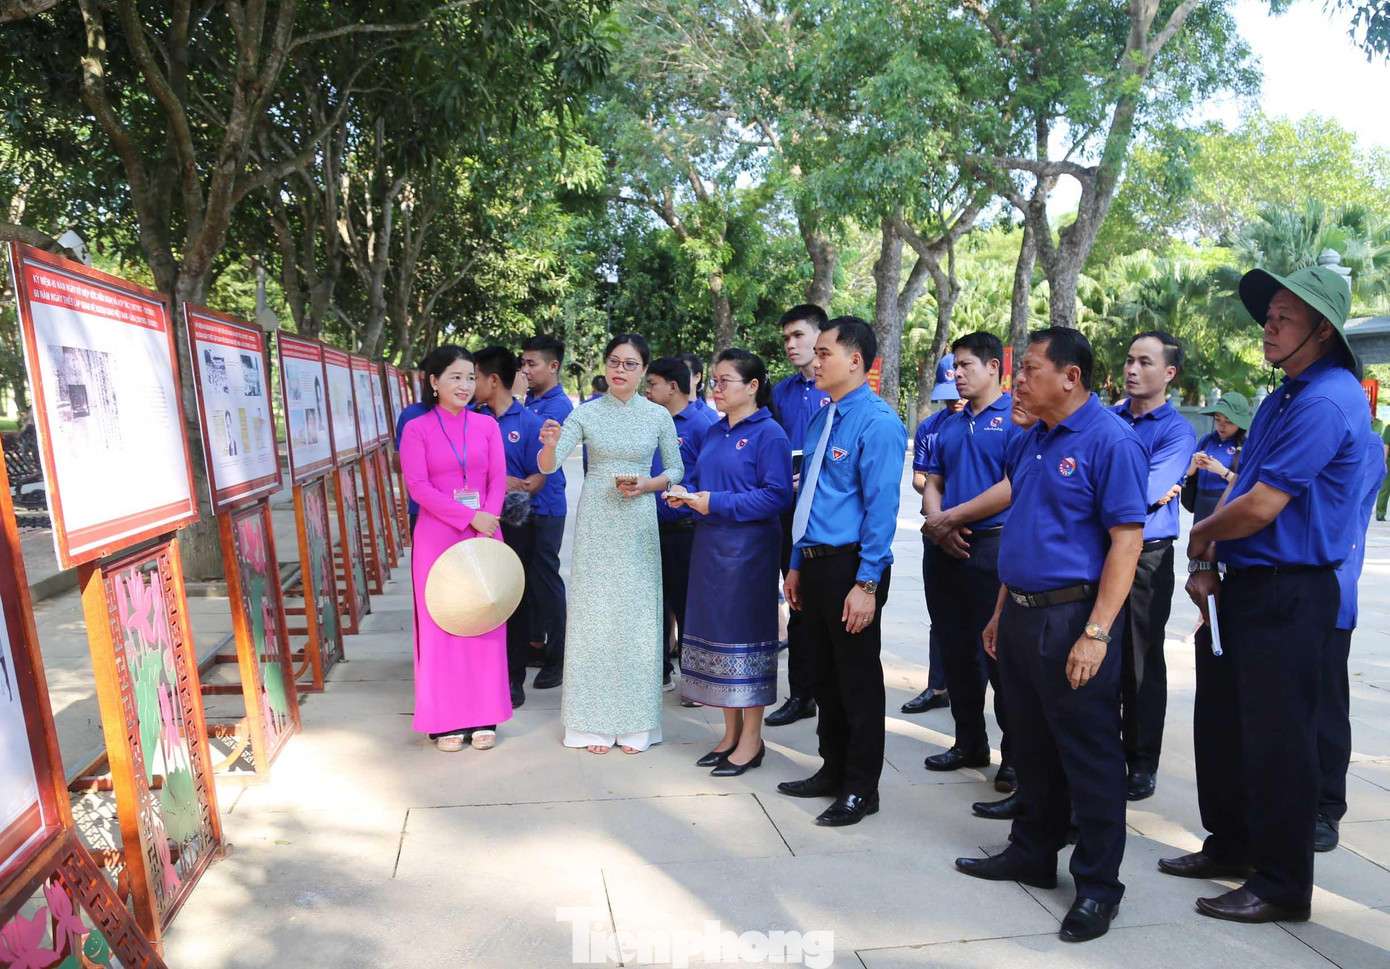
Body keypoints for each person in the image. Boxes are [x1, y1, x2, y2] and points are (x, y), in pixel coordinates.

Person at [1173, 265, 1367, 925]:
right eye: (1270, 312)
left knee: (1279, 742)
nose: (1270, 323)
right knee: (1225, 726)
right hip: (1245, 585)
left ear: (1323, 328)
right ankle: (1232, 844)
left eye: (1286, 314)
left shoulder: (1326, 400)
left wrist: (1201, 535)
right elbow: (1239, 484)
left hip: (1289, 592)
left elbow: (1260, 506)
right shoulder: (1284, 395)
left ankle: (1283, 884)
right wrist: (1210, 560)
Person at [954, 327, 1147, 944]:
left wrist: (1096, 633)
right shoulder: (1030, 439)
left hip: (1073, 617)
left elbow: (1126, 541)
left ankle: (1097, 887)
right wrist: (1001, 609)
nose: (1019, 379)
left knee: (1088, 755)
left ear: (1071, 376)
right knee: (1030, 742)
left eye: (1031, 368)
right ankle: (1031, 853)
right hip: (1019, 614)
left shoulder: (1109, 440)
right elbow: (1025, 528)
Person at [778, 316, 906, 827]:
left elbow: (881, 511)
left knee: (856, 680)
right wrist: (793, 564)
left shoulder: (877, 422)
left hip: (853, 566)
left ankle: (861, 786)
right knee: (823, 677)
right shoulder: (823, 417)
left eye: (825, 352)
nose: (815, 359)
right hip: (813, 564)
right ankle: (831, 768)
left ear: (855, 361)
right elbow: (810, 496)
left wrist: (867, 583)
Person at [538, 334, 684, 754]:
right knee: (595, 615)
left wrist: (649, 484)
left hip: (639, 518)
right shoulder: (584, 414)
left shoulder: (657, 416)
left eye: (631, 364)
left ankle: (636, 724)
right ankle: (591, 724)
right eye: (614, 362)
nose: (620, 371)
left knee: (637, 617)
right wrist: (549, 448)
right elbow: (548, 467)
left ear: (644, 371)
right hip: (598, 519)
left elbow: (675, 468)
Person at [671, 350, 793, 775]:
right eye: (715, 382)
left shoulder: (769, 434)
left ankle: (752, 740)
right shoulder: (715, 431)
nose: (716, 389)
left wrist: (715, 501)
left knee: (747, 641)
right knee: (716, 638)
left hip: (749, 554)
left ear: (753, 387)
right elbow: (705, 482)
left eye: (725, 382)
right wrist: (685, 494)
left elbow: (777, 496)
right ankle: (729, 733)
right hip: (709, 548)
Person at [919, 335, 1022, 801]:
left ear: (994, 367)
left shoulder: (1017, 421)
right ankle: (969, 742)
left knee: (999, 656)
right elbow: (932, 480)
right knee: (955, 649)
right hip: (944, 547)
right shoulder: (951, 425)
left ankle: (1016, 758)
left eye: (965, 366)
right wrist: (938, 524)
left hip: (992, 549)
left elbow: (1012, 485)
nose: (956, 375)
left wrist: (950, 519)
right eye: (953, 367)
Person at [399, 346, 511, 752]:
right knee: (442, 624)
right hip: (438, 535)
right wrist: (467, 517)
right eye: (455, 377)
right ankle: (445, 718)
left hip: (484, 533)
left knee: (484, 618)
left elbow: (497, 480)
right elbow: (418, 487)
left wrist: (487, 519)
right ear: (433, 382)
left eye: (469, 377)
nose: (464, 385)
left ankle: (485, 714)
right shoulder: (417, 428)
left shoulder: (486, 427)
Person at [1109, 332, 1196, 802]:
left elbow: (1142, 494)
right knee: (1100, 648)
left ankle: (1142, 761)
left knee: (1141, 658)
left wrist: (1112, 487)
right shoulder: (1107, 419)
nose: (1133, 369)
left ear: (1168, 374)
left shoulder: (1176, 432)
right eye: (1129, 359)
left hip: (1148, 555)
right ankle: (1103, 750)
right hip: (1103, 549)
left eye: (1145, 362)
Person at [1317, 416, 1386, 852]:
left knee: (1325, 706)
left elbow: (1328, 503)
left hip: (1330, 592)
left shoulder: (1369, 445)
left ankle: (1326, 807)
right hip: (1277, 589)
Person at [767, 304, 831, 727]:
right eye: (786, 338)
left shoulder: (838, 391)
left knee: (826, 608)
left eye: (799, 336)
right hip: (785, 514)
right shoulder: (781, 392)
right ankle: (801, 694)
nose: (791, 344)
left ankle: (829, 692)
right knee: (796, 605)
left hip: (826, 518)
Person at [473, 346, 545, 709]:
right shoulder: (470, 419)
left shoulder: (529, 423)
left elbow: (537, 480)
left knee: (514, 598)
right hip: (475, 523)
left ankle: (513, 677)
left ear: (493, 380)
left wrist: (501, 483)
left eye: (474, 377)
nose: (470, 385)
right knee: (478, 597)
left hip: (516, 522)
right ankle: (481, 673)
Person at [646, 357, 717, 690]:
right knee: (653, 604)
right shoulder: (650, 422)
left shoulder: (702, 425)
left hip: (685, 530)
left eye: (652, 384)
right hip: (649, 528)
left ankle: (693, 677)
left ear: (673, 387)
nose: (647, 391)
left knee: (688, 604)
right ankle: (659, 672)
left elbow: (711, 476)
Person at [902, 354, 966, 716]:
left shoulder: (1005, 423)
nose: (955, 399)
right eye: (948, 393)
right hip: (938, 532)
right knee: (941, 615)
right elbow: (921, 479)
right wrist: (942, 520)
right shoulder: (931, 428)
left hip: (980, 534)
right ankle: (938, 685)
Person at [521, 334, 573, 690]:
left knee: (546, 579)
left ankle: (557, 655)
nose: (525, 370)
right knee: (526, 581)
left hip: (545, 505)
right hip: (522, 506)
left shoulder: (558, 407)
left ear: (553, 366)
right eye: (522, 363)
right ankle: (535, 644)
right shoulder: (530, 400)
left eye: (531, 364)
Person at [1183, 394, 1250, 523]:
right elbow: (1188, 475)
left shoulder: (1246, 446)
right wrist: (1194, 465)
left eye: (1228, 421)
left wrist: (1222, 471)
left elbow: (1247, 484)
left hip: (1226, 502)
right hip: (1201, 502)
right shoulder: (1206, 441)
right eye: (1217, 419)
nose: (1221, 425)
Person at [679, 351, 718, 420]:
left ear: (697, 378)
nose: (676, 379)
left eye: (682, 374)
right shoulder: (664, 412)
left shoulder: (708, 416)